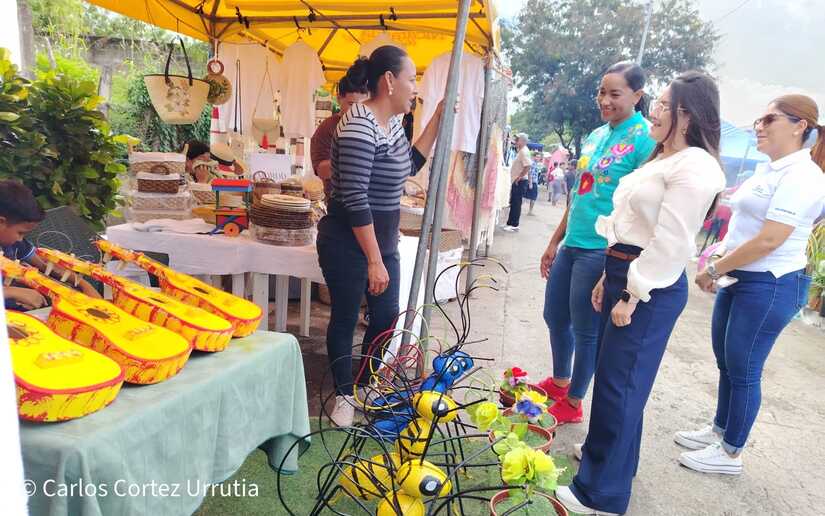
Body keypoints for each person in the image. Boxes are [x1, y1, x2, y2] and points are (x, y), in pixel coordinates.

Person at [556, 71, 726, 515]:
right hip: (624, 269)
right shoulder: (665, 157)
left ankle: (601, 494)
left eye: (665, 105)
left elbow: (671, 241)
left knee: (620, 386)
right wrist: (608, 278)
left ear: (687, 115)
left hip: (649, 283)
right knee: (619, 382)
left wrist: (632, 293)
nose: (655, 111)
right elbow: (630, 223)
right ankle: (611, 461)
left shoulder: (695, 166)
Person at [677, 94, 825, 475]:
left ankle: (731, 453)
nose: (759, 126)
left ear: (799, 126)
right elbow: (743, 226)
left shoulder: (803, 176)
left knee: (744, 367)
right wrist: (719, 258)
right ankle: (720, 430)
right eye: (759, 119)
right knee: (726, 360)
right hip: (740, 276)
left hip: (770, 283)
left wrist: (714, 270)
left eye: (769, 119)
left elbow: (769, 240)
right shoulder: (769, 169)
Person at [317, 46, 453, 427]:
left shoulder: (391, 123)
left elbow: (408, 165)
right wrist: (374, 260)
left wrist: (437, 119)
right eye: (411, 79)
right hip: (348, 238)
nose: (415, 88)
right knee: (345, 316)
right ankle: (344, 395)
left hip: (384, 238)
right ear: (389, 81)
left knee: (387, 315)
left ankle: (364, 384)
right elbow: (355, 198)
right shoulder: (358, 125)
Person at [538, 61, 656, 426]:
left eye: (614, 93)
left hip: (600, 250)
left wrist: (616, 267)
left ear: (637, 95)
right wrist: (554, 241)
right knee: (554, 315)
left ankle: (574, 401)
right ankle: (560, 381)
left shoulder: (646, 139)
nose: (605, 100)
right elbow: (579, 193)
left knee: (585, 328)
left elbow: (642, 209)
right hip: (572, 242)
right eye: (601, 92)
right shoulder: (596, 134)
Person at [1, 180, 101, 311]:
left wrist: (84, 285)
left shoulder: (14, 244)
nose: (21, 239)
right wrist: (12, 292)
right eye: (20, 232)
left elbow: (44, 265)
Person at [311, 77, 370, 199]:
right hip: (338, 200)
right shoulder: (327, 127)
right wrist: (351, 159)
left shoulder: (371, 126)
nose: (356, 111)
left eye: (362, 105)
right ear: (339, 99)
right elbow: (321, 171)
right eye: (351, 104)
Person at [502, 133, 531, 231]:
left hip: (520, 181)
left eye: (517, 139)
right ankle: (510, 223)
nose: (516, 141)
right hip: (517, 180)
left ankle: (514, 225)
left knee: (516, 203)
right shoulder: (521, 151)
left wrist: (520, 177)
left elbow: (528, 166)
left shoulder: (524, 152)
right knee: (514, 202)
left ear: (522, 141)